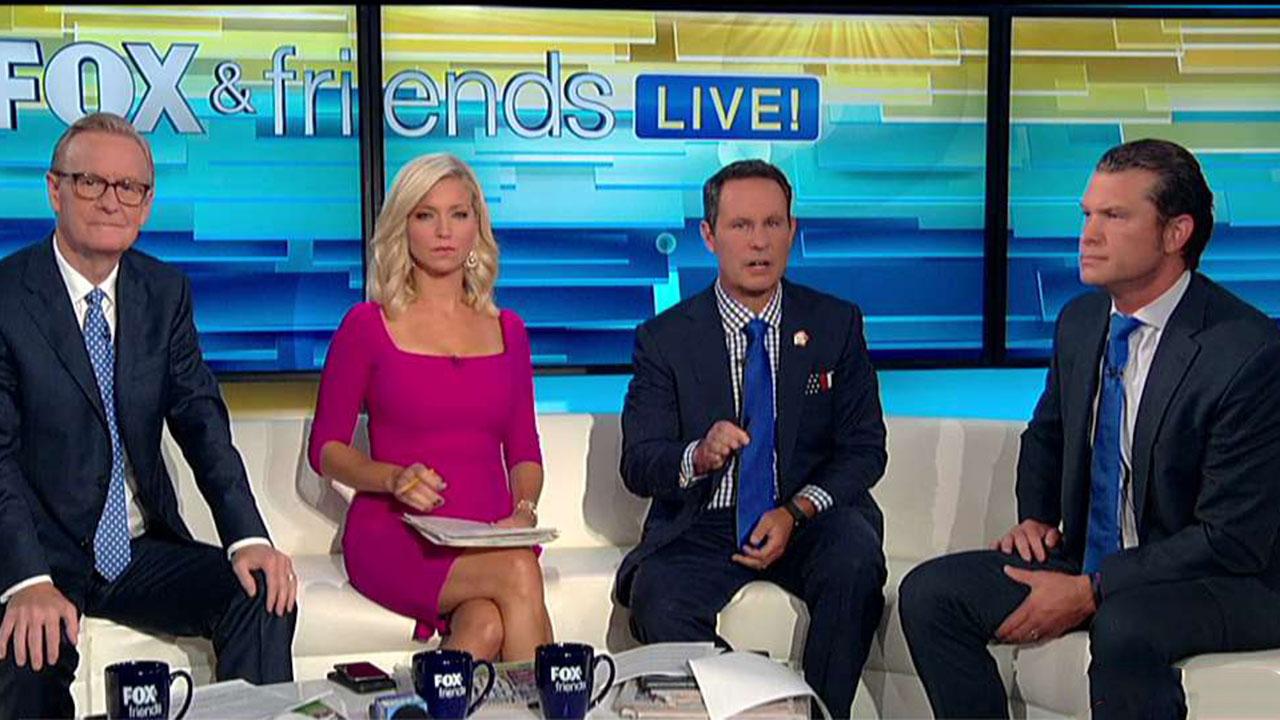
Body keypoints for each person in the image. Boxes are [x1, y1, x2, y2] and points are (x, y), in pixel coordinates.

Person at [899, 138, 1280, 719]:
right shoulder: (1081, 321)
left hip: (1227, 579)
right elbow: (1047, 434)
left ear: (1175, 233)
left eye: (1114, 216)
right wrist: (1035, 517)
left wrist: (1094, 589)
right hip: (1091, 558)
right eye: (1087, 215)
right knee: (932, 594)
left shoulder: (1246, 353)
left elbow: (1228, 538)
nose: (1088, 235)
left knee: (1125, 624)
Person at [0, 112, 297, 718]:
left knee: (260, 594)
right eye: (91, 182)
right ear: (55, 189)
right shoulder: (8, 296)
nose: (112, 201)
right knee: (27, 653)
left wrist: (248, 537)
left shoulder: (164, 293)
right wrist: (26, 579)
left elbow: (202, 422)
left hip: (136, 549)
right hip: (41, 549)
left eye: (130, 187)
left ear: (148, 202)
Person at [614, 159, 888, 717]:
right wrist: (698, 454)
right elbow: (639, 462)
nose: (759, 242)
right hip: (704, 522)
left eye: (772, 224)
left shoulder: (835, 324)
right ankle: (764, 707)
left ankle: (821, 714)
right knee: (657, 597)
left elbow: (865, 449)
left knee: (856, 561)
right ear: (709, 235)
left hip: (808, 517)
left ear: (792, 230)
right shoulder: (665, 339)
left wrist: (794, 511)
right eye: (741, 226)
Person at [308, 152, 552, 662]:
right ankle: (557, 699)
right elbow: (326, 449)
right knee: (518, 571)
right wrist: (393, 478)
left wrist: (523, 511)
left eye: (458, 214)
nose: (444, 231)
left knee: (486, 625)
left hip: (487, 535)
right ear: (404, 226)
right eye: (426, 215)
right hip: (397, 535)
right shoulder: (367, 326)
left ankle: (419, 701)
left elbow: (524, 450)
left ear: (476, 227)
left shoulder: (509, 331)